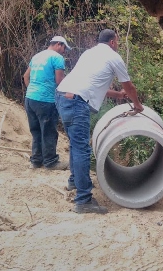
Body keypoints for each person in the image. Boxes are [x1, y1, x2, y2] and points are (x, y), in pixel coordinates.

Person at [55, 29, 144, 214]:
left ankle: (74, 180)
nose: (118, 45)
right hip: (77, 102)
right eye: (117, 42)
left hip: (63, 96)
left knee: (75, 144)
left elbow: (90, 83)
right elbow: (129, 86)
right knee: (82, 149)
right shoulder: (114, 57)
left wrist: (117, 95)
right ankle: (83, 200)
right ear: (112, 42)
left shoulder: (89, 53)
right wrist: (137, 105)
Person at [23, 36, 71, 170]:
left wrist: (33, 91)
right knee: (49, 131)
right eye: (64, 48)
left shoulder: (37, 56)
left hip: (30, 99)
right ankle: (50, 162)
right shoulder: (57, 58)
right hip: (46, 101)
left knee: (36, 130)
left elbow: (26, 76)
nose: (64, 52)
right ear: (58, 44)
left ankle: (36, 161)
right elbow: (59, 81)